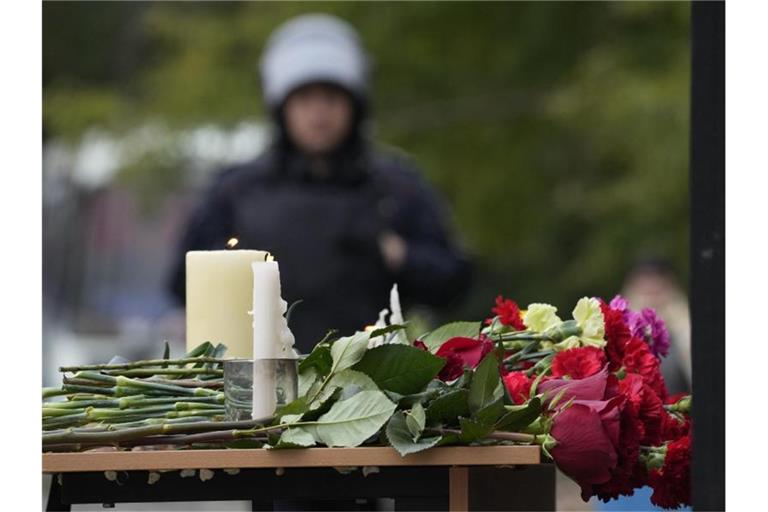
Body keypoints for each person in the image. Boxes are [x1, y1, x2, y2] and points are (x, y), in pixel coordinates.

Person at [168, 14, 472, 354]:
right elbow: (182, 283)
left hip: (372, 387)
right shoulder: (237, 190)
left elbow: (454, 281)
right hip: (257, 384)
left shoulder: (394, 186)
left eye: (331, 97)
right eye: (305, 98)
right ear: (282, 106)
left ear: (354, 105)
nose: (319, 112)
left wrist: (395, 253)